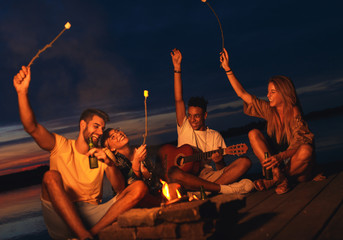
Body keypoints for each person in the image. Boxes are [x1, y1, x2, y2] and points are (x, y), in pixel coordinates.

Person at [13, 66, 148, 240]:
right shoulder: (60, 145)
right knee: (50, 176)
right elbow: (31, 127)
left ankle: (89, 234)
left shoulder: (104, 154)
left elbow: (121, 190)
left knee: (139, 187)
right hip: (61, 215)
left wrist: (110, 163)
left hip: (93, 215)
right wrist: (22, 93)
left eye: (102, 129)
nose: (100, 132)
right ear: (83, 125)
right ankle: (84, 235)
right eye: (96, 126)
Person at [220, 48, 324, 194]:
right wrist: (227, 68)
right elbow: (242, 94)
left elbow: (303, 142)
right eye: (268, 91)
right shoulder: (270, 110)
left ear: (284, 93)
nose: (268, 95)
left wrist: (280, 157)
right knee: (253, 133)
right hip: (276, 166)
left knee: (306, 150)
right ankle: (278, 176)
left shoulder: (294, 112)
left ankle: (274, 181)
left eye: (272, 92)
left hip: (295, 166)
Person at [167, 48, 254, 195]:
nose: (192, 119)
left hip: (207, 176)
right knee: (175, 174)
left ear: (205, 115)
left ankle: (205, 191)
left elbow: (221, 169)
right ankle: (217, 190)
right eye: (190, 115)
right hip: (185, 176)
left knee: (245, 162)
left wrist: (219, 160)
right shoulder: (184, 126)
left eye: (197, 116)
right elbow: (178, 99)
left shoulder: (214, 136)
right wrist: (177, 68)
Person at [100, 128, 163, 207]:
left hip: (152, 193)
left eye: (117, 131)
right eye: (113, 137)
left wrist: (148, 176)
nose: (118, 134)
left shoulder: (139, 150)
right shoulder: (116, 164)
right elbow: (130, 190)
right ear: (112, 149)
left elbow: (156, 178)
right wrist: (136, 164)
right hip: (130, 202)